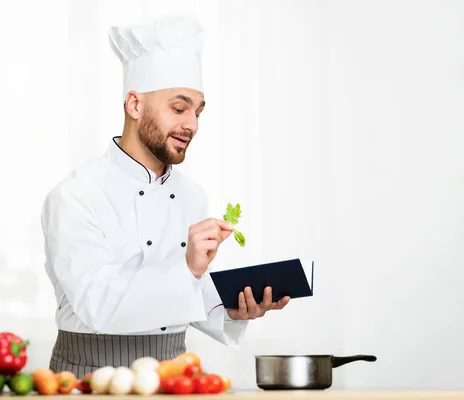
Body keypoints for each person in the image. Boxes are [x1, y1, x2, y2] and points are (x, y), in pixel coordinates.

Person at [41, 14, 290, 376]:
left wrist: (229, 308)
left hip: (173, 373)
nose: (192, 124)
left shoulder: (192, 195)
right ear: (134, 105)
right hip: (89, 372)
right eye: (179, 107)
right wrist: (187, 267)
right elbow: (96, 304)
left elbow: (181, 296)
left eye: (198, 111)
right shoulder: (75, 196)